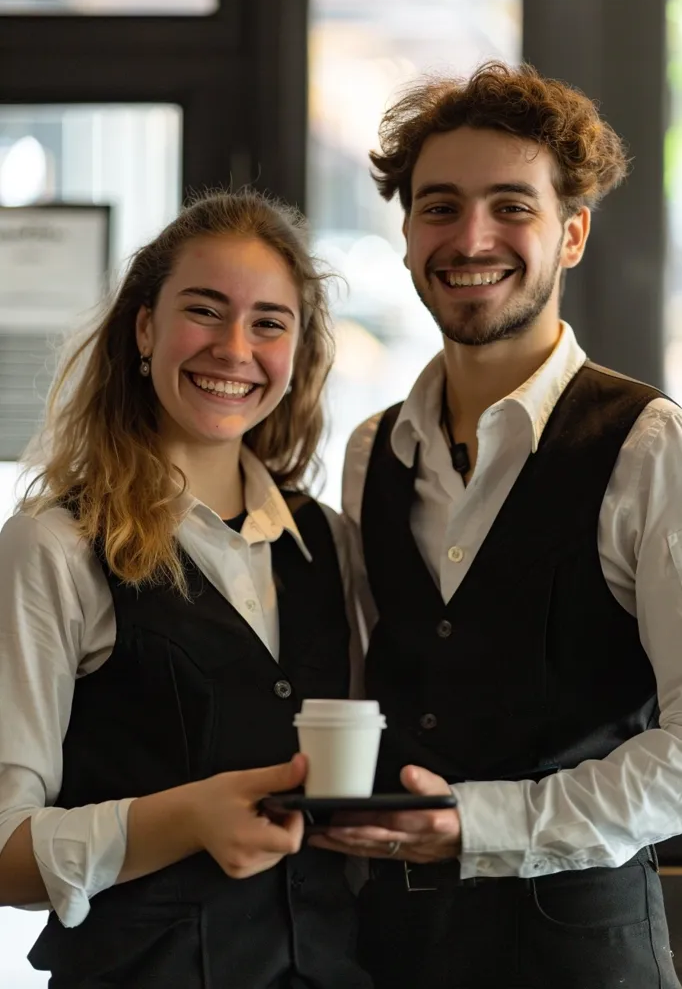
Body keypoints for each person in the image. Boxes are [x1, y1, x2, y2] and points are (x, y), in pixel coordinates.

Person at [311, 62, 682, 988]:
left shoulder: (649, 444)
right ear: (405, 238)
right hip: (392, 952)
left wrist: (483, 825)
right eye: (439, 207)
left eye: (511, 206)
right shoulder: (370, 451)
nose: (470, 236)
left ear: (573, 234)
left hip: (583, 955)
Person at [0, 190, 373, 989]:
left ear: (297, 352)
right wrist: (183, 820)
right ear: (145, 329)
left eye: (269, 322)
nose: (235, 349)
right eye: (205, 312)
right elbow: (2, 854)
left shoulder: (332, 546)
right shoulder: (55, 546)